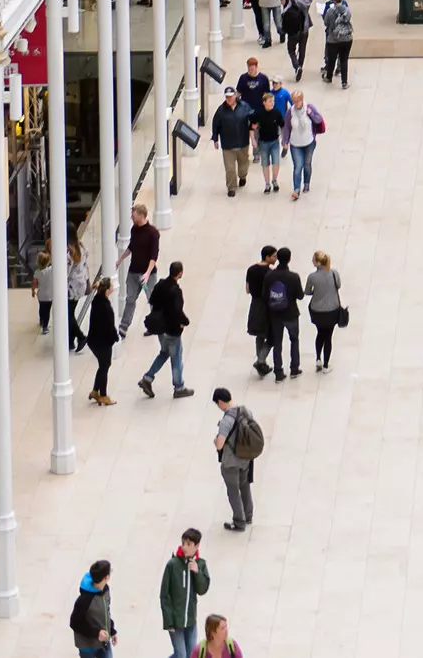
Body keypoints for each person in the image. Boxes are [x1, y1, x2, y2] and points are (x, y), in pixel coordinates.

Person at [139, 260, 193, 398]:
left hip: (159, 327)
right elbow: (177, 311)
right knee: (176, 356)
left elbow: (152, 300)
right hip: (171, 329)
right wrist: (185, 322)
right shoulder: (176, 291)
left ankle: (148, 378)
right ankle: (179, 386)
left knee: (164, 352)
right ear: (180, 273)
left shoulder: (161, 284)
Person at [212, 388, 259, 532]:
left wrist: (215, 441)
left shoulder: (227, 420)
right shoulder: (246, 411)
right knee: (245, 486)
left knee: (233, 491)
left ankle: (239, 521)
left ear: (220, 402)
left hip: (231, 462)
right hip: (246, 458)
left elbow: (220, 444)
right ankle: (248, 515)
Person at [160, 530, 211, 658]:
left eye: (189, 544)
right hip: (175, 622)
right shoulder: (173, 565)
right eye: (184, 543)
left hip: (190, 620)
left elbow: (202, 589)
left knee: (191, 655)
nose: (185, 547)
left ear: (196, 546)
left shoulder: (200, 564)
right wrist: (168, 621)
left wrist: (197, 572)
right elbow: (164, 594)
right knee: (181, 655)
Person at [263, 247, 303, 380]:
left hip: (275, 315)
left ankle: (278, 372)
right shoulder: (294, 277)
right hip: (291, 313)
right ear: (289, 259)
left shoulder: (270, 276)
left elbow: (264, 296)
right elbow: (300, 296)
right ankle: (294, 368)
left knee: (278, 343)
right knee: (294, 340)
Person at [282, 87, 324, 197]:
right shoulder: (290, 112)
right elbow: (286, 127)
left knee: (307, 164)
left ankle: (306, 183)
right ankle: (296, 189)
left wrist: (311, 114)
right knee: (297, 166)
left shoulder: (309, 108)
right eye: (294, 101)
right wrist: (285, 141)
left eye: (297, 101)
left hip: (309, 142)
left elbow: (319, 120)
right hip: (295, 144)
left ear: (301, 100)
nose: (296, 103)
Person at [212, 86, 253, 195]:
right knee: (230, 168)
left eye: (231, 96)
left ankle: (243, 176)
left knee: (243, 164)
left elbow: (252, 118)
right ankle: (231, 188)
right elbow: (215, 124)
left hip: (242, 142)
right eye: (227, 97)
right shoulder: (221, 110)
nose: (229, 99)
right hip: (228, 145)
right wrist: (215, 138)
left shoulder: (244, 106)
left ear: (235, 96)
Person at [307, 250, 345, 369]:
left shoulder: (312, 277)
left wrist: (316, 291)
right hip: (332, 310)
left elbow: (307, 291)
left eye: (313, 259)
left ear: (318, 263)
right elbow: (338, 285)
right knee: (328, 337)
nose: (312, 261)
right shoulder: (334, 273)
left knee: (320, 333)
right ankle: (326, 365)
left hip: (317, 310)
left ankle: (318, 358)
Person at [70, 560, 116, 658]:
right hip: (88, 647)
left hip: (104, 643)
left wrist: (112, 630)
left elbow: (106, 612)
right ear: (106, 577)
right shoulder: (84, 600)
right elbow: (74, 622)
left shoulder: (105, 590)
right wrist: (96, 633)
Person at [87, 277, 118, 404]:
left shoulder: (97, 300)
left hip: (94, 340)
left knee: (103, 365)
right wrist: (114, 338)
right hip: (102, 342)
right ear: (107, 290)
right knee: (105, 366)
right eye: (111, 285)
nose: (113, 287)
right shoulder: (105, 306)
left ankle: (95, 390)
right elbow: (109, 326)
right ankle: (103, 395)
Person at [246, 244, 277, 375]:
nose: (276, 259)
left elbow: (247, 289)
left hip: (255, 304)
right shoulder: (271, 274)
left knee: (259, 334)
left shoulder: (251, 270)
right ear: (267, 257)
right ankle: (260, 360)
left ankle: (262, 365)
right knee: (272, 336)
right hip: (266, 306)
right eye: (274, 256)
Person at [321, 0, 353, 87]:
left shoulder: (330, 11)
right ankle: (344, 82)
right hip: (346, 38)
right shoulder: (347, 10)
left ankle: (329, 77)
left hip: (333, 39)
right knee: (344, 60)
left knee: (331, 59)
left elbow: (326, 23)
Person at [252, 91, 283, 192]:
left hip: (274, 142)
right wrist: (253, 140)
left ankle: (274, 180)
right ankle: (267, 183)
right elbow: (252, 127)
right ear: (264, 102)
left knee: (276, 162)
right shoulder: (259, 114)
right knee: (265, 164)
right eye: (270, 101)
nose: (272, 103)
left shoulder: (276, 113)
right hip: (263, 142)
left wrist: (284, 139)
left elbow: (282, 125)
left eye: (273, 101)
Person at [281, 0, 312, 81]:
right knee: (302, 49)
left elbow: (285, 12)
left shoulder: (293, 1)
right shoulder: (308, 1)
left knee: (291, 50)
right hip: (304, 28)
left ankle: (296, 66)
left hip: (294, 30)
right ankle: (300, 66)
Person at [67, 238, 91, 352]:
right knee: (70, 313)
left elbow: (65, 271)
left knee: (68, 314)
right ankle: (70, 341)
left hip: (71, 287)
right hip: (80, 285)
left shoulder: (69, 252)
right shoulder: (81, 247)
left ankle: (81, 337)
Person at [33, 240, 54, 334]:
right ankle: (45, 326)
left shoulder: (37, 272)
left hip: (41, 295)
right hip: (49, 295)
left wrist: (33, 291)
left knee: (41, 308)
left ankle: (41, 320)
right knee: (47, 311)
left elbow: (34, 283)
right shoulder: (50, 270)